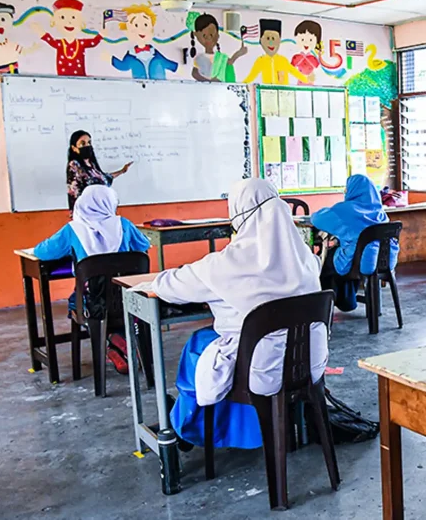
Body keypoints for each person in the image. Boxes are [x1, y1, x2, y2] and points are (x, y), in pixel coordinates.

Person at [152, 179, 327, 449]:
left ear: (238, 214)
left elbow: (170, 287)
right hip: (307, 365)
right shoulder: (306, 259)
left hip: (261, 373)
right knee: (233, 343)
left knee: (199, 346)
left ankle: (189, 428)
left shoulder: (225, 264)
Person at [34, 185, 150, 371]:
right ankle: (118, 342)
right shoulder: (124, 224)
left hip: (93, 301)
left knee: (76, 302)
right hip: (128, 298)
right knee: (116, 306)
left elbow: (43, 252)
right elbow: (144, 245)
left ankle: (110, 339)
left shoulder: (72, 229)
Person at [311, 175, 399, 312]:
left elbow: (316, 219)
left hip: (356, 264)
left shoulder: (344, 210)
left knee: (328, 262)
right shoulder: (379, 211)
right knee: (348, 252)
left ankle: (325, 308)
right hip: (382, 263)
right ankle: (348, 302)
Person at [31, 0, 102, 77]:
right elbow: (49, 40)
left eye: (73, 17)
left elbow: (93, 42)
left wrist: (101, 36)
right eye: (62, 17)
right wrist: (40, 31)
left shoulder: (80, 43)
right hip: (62, 80)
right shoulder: (60, 44)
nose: (69, 22)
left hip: (80, 80)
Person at [65, 130, 133, 211]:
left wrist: (121, 171)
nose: (87, 146)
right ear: (74, 148)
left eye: (89, 142)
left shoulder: (92, 165)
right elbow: (75, 191)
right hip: (87, 212)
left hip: (101, 209)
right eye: (82, 144)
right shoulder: (74, 165)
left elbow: (105, 178)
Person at [109, 4, 178, 80]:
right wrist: (109, 58)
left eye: (146, 25)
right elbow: (123, 66)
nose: (142, 29)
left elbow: (167, 63)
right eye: (136, 25)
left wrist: (178, 68)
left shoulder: (154, 53)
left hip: (159, 85)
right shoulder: (131, 56)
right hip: (140, 86)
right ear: (127, 32)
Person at [242, 18, 311, 85]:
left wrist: (307, 80)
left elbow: (295, 72)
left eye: (273, 38)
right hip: (268, 91)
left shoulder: (283, 60)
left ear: (279, 41)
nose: (271, 43)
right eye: (267, 38)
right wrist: (241, 84)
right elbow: (251, 76)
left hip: (283, 91)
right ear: (261, 40)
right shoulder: (260, 61)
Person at [191, 13, 247, 83]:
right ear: (196, 35)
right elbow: (195, 74)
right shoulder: (199, 58)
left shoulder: (221, 57)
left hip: (220, 88)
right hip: (204, 88)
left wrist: (239, 53)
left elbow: (229, 62)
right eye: (204, 35)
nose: (209, 38)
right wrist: (210, 81)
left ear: (217, 35)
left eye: (212, 35)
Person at [291, 20, 322, 85]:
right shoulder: (296, 57)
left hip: (310, 84)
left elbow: (318, 70)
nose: (306, 43)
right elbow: (291, 69)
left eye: (310, 40)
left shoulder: (313, 58)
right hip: (299, 83)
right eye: (302, 39)